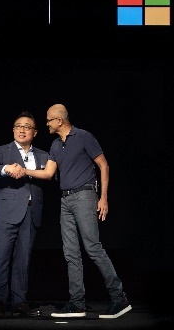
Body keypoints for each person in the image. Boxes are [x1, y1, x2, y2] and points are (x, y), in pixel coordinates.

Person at [22, 103, 132, 319]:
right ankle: (77, 303)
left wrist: (104, 197)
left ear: (59, 120)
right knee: (70, 252)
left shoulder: (84, 137)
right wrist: (23, 170)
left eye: (49, 120)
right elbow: (48, 173)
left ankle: (119, 298)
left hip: (84, 196)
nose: (46, 124)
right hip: (65, 200)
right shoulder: (55, 145)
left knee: (93, 247)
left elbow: (103, 165)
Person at [0, 111, 48, 317]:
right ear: (13, 130)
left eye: (27, 127)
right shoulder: (2, 151)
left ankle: (20, 302)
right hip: (5, 212)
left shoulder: (43, 155)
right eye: (18, 126)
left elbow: (51, 177)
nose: (22, 130)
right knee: (1, 257)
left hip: (31, 213)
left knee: (23, 260)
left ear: (35, 132)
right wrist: (5, 168)